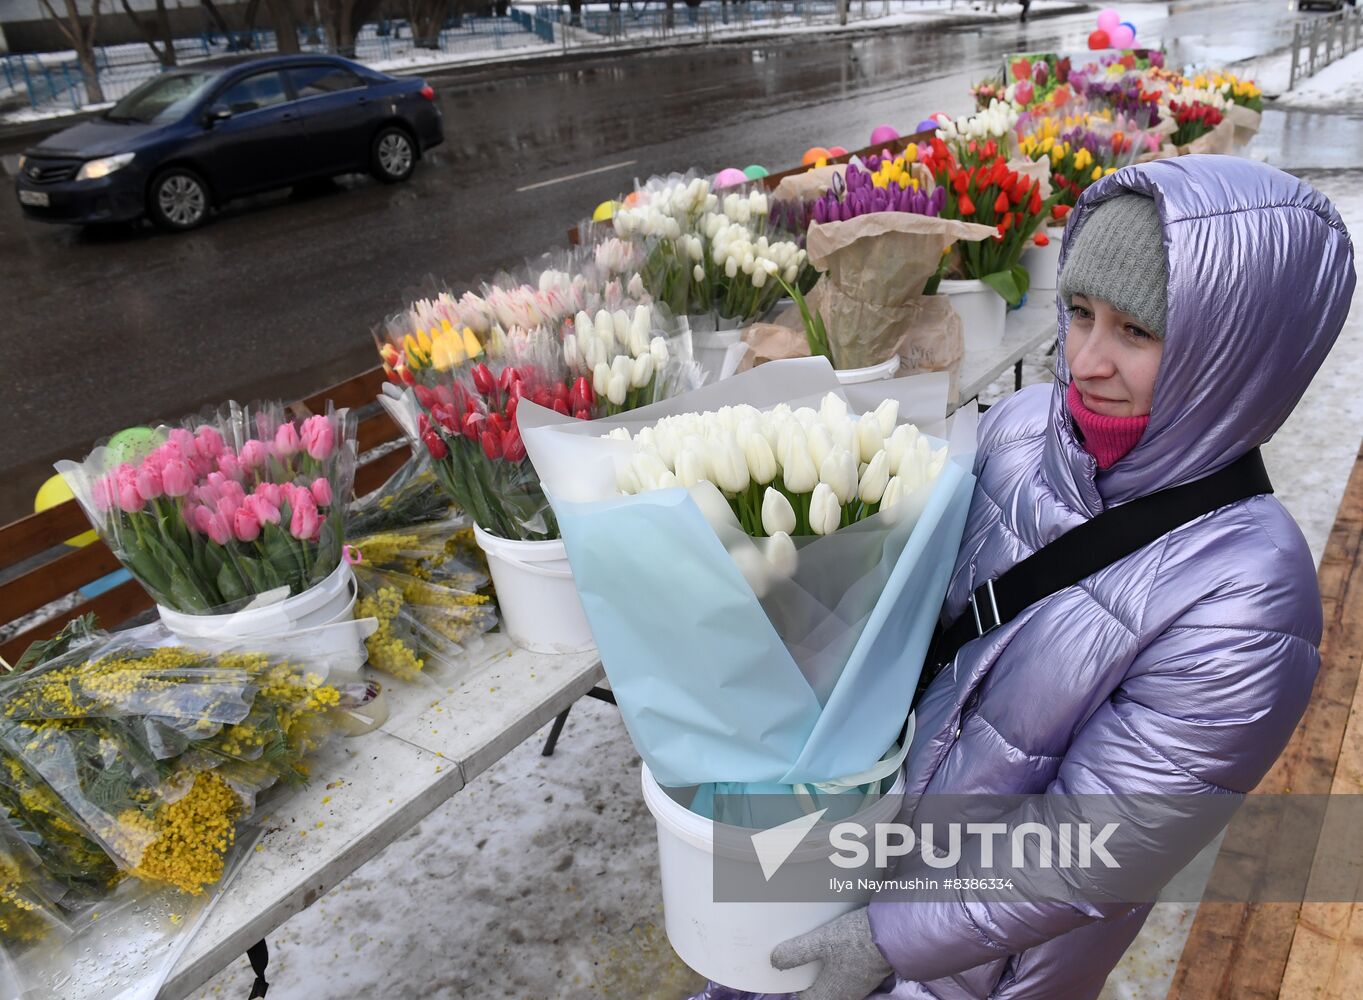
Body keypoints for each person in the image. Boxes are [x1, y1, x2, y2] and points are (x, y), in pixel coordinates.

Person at [689, 155, 1357, 999]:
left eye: (1136, 332)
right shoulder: (1016, 429)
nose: (1085, 361)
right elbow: (905, 613)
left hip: (973, 961)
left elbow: (1095, 843)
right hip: (846, 842)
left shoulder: (1249, 599)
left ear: (1233, 355)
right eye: (1078, 314)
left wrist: (888, 941)